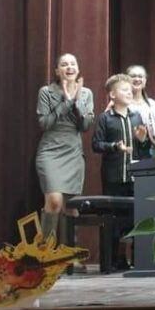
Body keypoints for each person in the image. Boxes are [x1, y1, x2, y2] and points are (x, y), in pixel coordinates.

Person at [92, 74, 151, 268]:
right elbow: (96, 144)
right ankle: (113, 259)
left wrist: (142, 140)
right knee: (114, 219)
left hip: (134, 177)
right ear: (112, 95)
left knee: (135, 217)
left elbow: (143, 149)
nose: (129, 92)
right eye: (124, 90)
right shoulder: (105, 118)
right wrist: (114, 146)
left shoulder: (136, 117)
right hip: (114, 176)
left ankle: (137, 259)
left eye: (130, 90)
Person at [35, 53, 94, 241]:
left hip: (73, 152)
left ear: (78, 69)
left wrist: (77, 101)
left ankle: (70, 252)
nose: (69, 67)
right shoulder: (46, 91)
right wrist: (66, 102)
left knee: (71, 206)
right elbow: (44, 123)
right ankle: (45, 250)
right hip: (50, 150)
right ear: (57, 71)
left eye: (73, 64)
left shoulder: (86, 93)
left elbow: (85, 126)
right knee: (54, 201)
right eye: (64, 64)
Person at [126, 64, 155, 155]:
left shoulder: (153, 105)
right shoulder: (120, 103)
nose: (137, 79)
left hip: (147, 154)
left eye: (140, 76)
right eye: (133, 76)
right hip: (125, 151)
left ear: (145, 81)